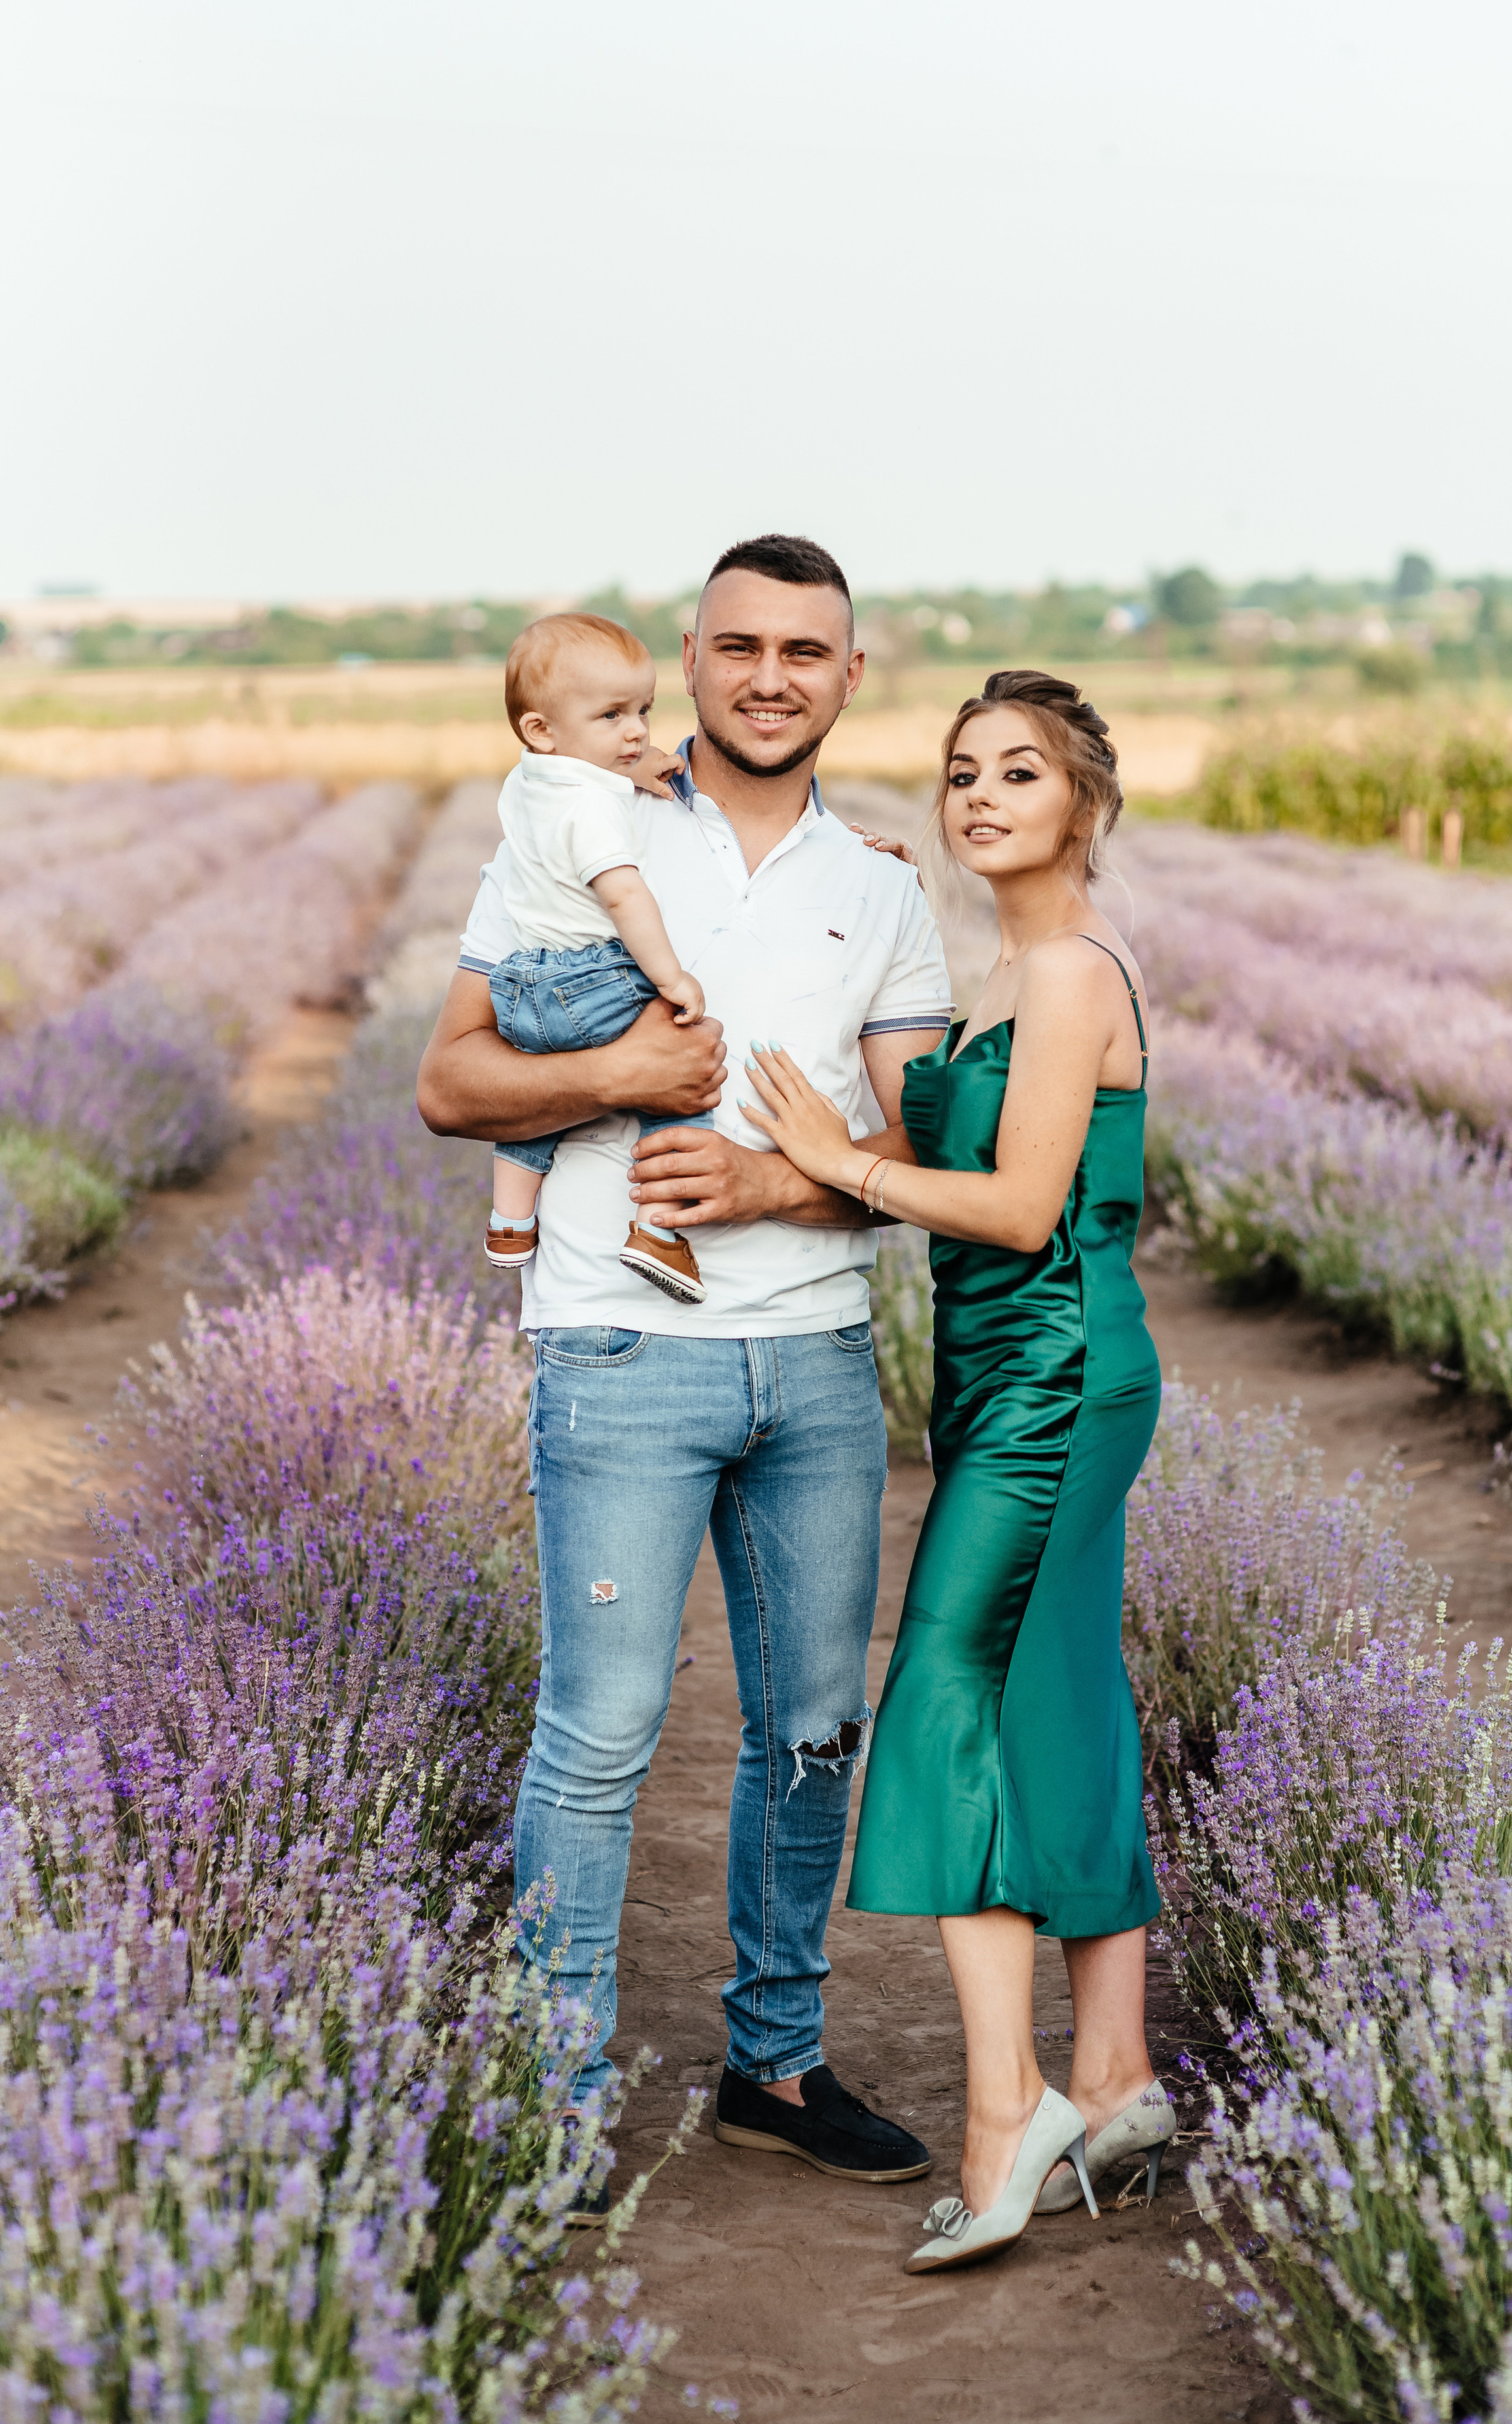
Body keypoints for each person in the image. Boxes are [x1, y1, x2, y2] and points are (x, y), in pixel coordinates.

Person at [417, 534, 952, 2210]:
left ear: (848, 675)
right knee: (599, 1731)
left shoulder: (880, 885)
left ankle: (773, 2060)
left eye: (807, 649)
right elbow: (449, 1077)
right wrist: (622, 1067)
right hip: (619, 1344)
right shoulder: (583, 818)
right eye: (739, 645)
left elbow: (914, 1130)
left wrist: (781, 1184)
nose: (770, 675)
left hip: (809, 1359)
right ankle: (557, 2091)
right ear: (692, 657)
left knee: (810, 1724)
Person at [738, 668, 1175, 2276]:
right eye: (959, 772)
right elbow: (944, 1158)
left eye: (1017, 772)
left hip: (1054, 1375)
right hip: (1010, 1375)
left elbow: (1008, 1205)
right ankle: (1115, 2071)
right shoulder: (998, 973)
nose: (980, 794)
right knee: (1058, 1694)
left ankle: (1011, 2115)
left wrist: (831, 1161)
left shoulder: (1064, 976)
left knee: (937, 1689)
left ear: (1082, 802)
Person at [480, 608, 715, 1303]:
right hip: (587, 979)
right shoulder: (594, 812)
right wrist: (671, 978)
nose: (638, 731)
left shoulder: (532, 778)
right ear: (541, 729)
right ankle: (658, 1230)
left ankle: (510, 1222)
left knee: (544, 1107)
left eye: (643, 709)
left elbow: (584, 766)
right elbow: (625, 898)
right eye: (613, 716)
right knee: (681, 1071)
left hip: (520, 988)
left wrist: (631, 763)